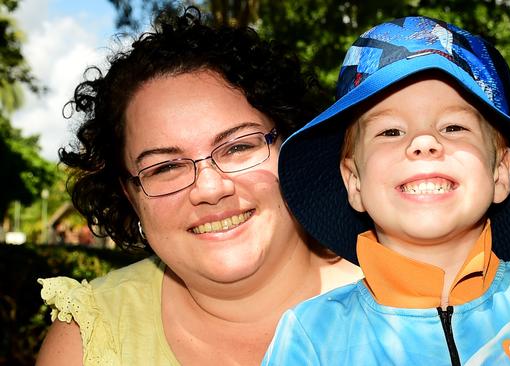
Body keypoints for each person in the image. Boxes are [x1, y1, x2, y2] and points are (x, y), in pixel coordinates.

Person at [263, 16, 510, 365]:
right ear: (354, 181)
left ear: (500, 172)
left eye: (454, 126)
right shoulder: (314, 337)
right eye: (391, 132)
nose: (424, 143)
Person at [36, 7, 360, 366]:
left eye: (238, 146)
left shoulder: (416, 300)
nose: (209, 188)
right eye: (165, 167)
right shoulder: (87, 342)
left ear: (294, 146)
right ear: (130, 196)